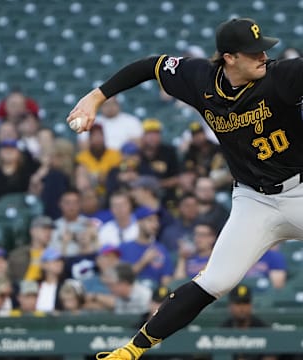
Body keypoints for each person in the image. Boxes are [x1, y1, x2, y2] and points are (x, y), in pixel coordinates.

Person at [67, 17, 303, 360]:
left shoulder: (283, 76)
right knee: (215, 281)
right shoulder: (199, 79)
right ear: (229, 58)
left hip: (300, 189)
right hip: (254, 201)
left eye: (264, 49)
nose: (263, 56)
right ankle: (134, 350)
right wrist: (96, 97)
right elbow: (151, 66)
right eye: (253, 52)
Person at [119, 206, 174, 288]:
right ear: (138, 222)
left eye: (157, 220)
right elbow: (120, 280)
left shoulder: (161, 249)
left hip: (155, 295)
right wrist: (143, 261)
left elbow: (166, 280)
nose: (155, 224)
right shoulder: (124, 248)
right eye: (150, 220)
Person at [221, 284, 277, 360]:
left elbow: (270, 356)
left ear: (251, 305)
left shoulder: (263, 328)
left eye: (245, 303)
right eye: (238, 303)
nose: (242, 308)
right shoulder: (223, 329)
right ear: (230, 306)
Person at [77, 96, 143, 151]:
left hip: (125, 158)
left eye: (113, 104)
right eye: (106, 105)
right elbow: (83, 144)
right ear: (100, 107)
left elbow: (139, 143)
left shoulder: (131, 121)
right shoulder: (92, 121)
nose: (110, 107)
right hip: (99, 159)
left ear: (118, 105)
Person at [8, 215, 55, 283]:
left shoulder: (54, 254)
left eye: (50, 229)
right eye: (44, 228)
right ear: (33, 231)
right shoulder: (18, 254)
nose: (49, 232)